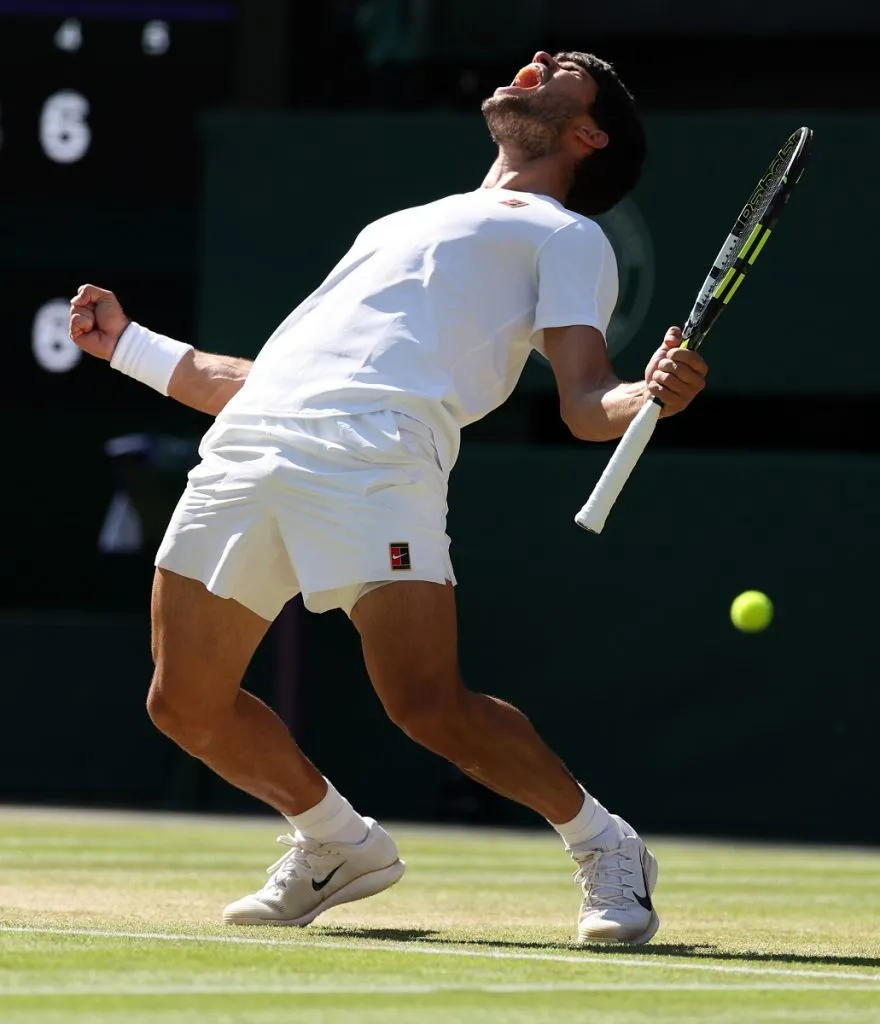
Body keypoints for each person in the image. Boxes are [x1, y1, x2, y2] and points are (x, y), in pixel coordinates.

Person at [68, 50, 707, 946]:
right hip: (253, 445)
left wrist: (646, 394)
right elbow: (272, 378)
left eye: (562, 70)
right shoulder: (400, 223)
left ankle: (605, 844)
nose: (535, 61)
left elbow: (582, 397)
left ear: (586, 134)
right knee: (184, 702)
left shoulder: (567, 236)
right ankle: (336, 844)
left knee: (427, 704)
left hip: (378, 457)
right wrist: (127, 344)